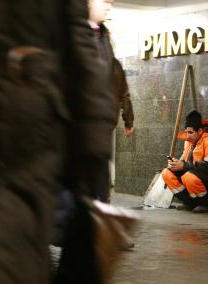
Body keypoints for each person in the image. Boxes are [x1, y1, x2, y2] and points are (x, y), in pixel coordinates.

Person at [0, 0, 113, 283]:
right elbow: (81, 57)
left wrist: (94, 137)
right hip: (30, 122)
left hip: (26, 135)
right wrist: (94, 140)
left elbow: (80, 58)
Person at [88, 0, 135, 202]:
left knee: (99, 179)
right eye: (104, 1)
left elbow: (122, 91)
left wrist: (127, 119)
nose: (110, 5)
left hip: (101, 124)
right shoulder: (74, 36)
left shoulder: (103, 37)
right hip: (84, 124)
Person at [162, 111, 208, 213]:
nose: (188, 135)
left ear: (200, 131)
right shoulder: (189, 141)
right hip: (197, 175)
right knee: (167, 173)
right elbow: (185, 162)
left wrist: (184, 166)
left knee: (189, 176)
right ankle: (189, 202)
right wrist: (175, 163)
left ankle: (206, 204)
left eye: (191, 132)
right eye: (187, 132)